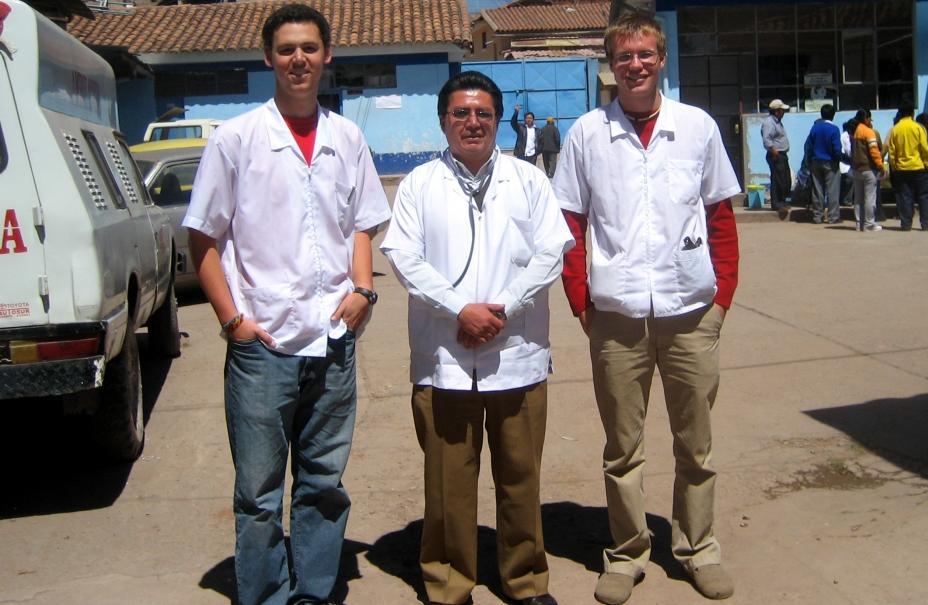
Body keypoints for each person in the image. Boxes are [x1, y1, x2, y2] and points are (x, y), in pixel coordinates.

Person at [182, 5, 391, 604]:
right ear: (268, 57)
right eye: (285, 49)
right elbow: (203, 236)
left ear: (328, 56)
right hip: (263, 346)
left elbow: (360, 224)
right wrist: (232, 321)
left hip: (331, 340)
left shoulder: (346, 137)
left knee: (324, 483)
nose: (298, 59)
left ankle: (315, 592)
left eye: (308, 48)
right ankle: (266, 595)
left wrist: (362, 291)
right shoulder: (236, 139)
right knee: (258, 491)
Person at [552, 12, 740, 605]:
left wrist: (722, 299)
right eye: (624, 55)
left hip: (690, 311)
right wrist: (582, 300)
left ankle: (697, 547)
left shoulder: (697, 128)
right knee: (622, 446)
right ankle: (626, 553)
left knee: (696, 444)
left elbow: (719, 218)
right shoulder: (587, 134)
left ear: (662, 59)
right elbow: (570, 225)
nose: (635, 64)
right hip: (616, 317)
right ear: (612, 64)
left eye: (646, 54)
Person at [381, 70, 573, 605]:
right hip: (443, 358)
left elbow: (552, 251)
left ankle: (526, 580)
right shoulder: (420, 184)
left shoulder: (529, 180)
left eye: (482, 113)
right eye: (461, 113)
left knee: (521, 478)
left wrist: (501, 309)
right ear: (444, 121)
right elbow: (403, 257)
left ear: (498, 119)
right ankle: (448, 583)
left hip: (518, 354)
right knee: (448, 485)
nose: (472, 122)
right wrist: (459, 309)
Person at [887, 101, 928, 231]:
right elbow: (924, 148)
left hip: (901, 169)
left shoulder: (895, 129)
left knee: (905, 196)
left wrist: (895, 165)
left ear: (900, 113)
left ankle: (906, 224)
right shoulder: (918, 128)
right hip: (919, 167)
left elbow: (892, 151)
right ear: (912, 113)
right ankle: (926, 224)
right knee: (924, 196)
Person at [805, 104, 843, 224]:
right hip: (830, 162)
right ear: (833, 115)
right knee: (832, 190)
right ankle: (833, 217)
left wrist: (809, 160)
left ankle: (817, 216)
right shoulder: (834, 129)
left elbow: (809, 146)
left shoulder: (815, 128)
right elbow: (837, 148)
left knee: (817, 190)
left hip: (816, 161)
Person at [851, 108, 885, 232]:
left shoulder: (855, 132)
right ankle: (869, 224)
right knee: (869, 198)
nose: (871, 121)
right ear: (866, 119)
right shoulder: (868, 132)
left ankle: (859, 223)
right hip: (868, 169)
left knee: (858, 199)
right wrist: (880, 166)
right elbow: (874, 151)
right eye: (870, 118)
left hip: (856, 170)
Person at [762, 98, 792, 220]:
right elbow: (767, 140)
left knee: (784, 179)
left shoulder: (777, 122)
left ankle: (782, 201)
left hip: (781, 154)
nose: (783, 112)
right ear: (776, 111)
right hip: (776, 154)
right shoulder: (769, 122)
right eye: (781, 110)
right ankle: (777, 203)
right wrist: (775, 153)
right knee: (778, 179)